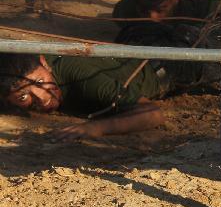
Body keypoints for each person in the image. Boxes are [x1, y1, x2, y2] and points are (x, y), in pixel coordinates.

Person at [0, 52, 165, 141]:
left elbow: (152, 113)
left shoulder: (82, 79)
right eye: (23, 97)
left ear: (45, 63)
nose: (42, 98)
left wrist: (95, 128)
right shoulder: (17, 81)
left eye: (40, 81)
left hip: (165, 68)